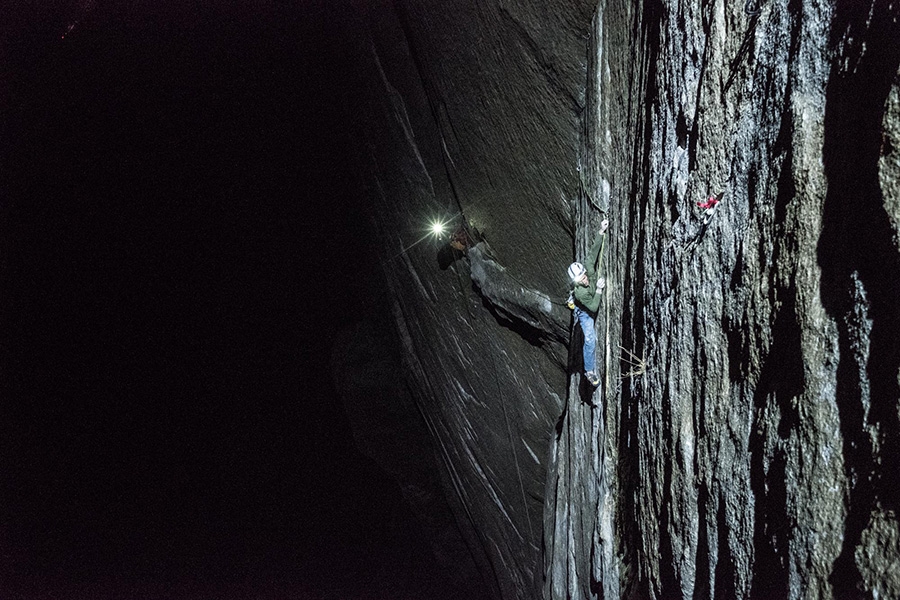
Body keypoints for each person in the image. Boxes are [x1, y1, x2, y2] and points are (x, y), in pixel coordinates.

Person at [566, 219, 609, 387]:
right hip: (583, 311)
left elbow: (593, 253)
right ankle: (589, 371)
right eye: (580, 279)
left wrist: (601, 231)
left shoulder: (588, 269)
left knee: (590, 338)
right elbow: (592, 306)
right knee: (590, 339)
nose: (584, 279)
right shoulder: (580, 292)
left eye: (584, 276)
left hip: (587, 302)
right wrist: (598, 290)